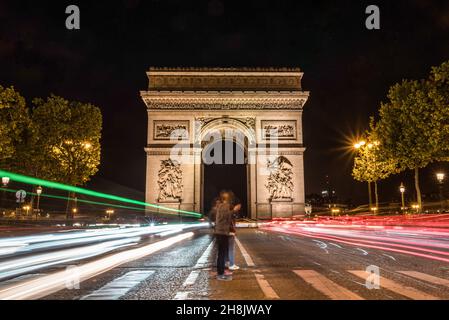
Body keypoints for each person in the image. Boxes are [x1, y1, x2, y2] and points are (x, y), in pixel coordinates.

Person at [214, 191, 240, 281]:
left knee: (223, 253)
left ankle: (222, 271)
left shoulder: (220, 206)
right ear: (227, 198)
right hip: (222, 232)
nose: (231, 199)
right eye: (230, 198)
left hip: (220, 232)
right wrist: (234, 210)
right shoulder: (225, 206)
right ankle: (220, 274)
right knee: (222, 254)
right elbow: (226, 216)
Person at [226, 194, 241, 271]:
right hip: (229, 232)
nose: (239, 208)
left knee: (227, 248)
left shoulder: (226, 211)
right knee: (231, 249)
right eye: (239, 206)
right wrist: (233, 230)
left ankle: (227, 263)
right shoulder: (231, 213)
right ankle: (231, 264)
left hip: (225, 232)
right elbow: (230, 222)